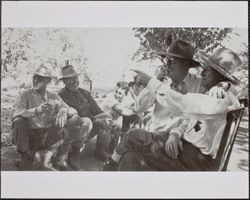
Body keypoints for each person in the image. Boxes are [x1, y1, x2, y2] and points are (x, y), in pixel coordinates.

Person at [105, 47, 242, 171]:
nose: (166, 65)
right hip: (171, 142)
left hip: (188, 155)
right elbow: (139, 108)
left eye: (172, 61)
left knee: (131, 151)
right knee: (131, 150)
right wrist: (176, 133)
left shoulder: (212, 90)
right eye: (166, 61)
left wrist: (225, 84)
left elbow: (185, 105)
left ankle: (110, 171)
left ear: (186, 65)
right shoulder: (210, 89)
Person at [11, 63, 90, 171]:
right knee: (18, 120)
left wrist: (64, 110)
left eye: (40, 78)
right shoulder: (25, 95)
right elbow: (14, 113)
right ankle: (25, 157)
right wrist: (36, 110)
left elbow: (73, 111)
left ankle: (59, 157)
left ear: (48, 80)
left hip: (48, 137)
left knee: (76, 119)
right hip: (31, 138)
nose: (35, 80)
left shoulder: (53, 96)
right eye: (34, 77)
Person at [58, 64, 112, 162]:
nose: (75, 81)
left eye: (76, 77)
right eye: (71, 79)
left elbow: (97, 110)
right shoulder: (62, 95)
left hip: (90, 124)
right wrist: (98, 121)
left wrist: (107, 119)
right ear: (64, 81)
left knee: (106, 117)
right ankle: (74, 154)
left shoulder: (84, 92)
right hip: (75, 129)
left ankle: (100, 149)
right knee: (87, 121)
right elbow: (79, 115)